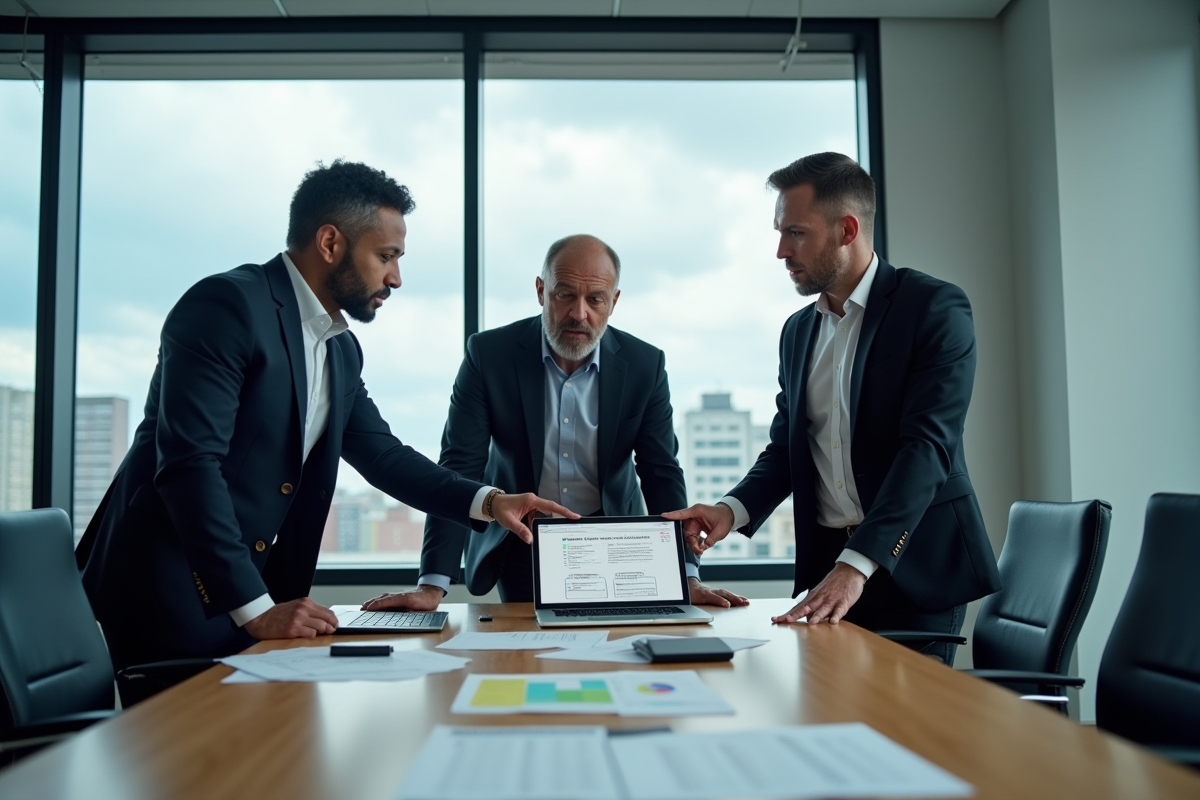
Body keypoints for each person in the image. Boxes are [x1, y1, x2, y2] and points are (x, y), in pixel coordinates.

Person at [76, 160, 575, 673]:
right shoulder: (226, 307)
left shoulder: (338, 348)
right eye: (386, 256)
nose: (396, 278)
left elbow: (383, 456)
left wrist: (490, 502)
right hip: (169, 586)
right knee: (190, 750)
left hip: (250, 598)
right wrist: (254, 607)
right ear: (331, 243)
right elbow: (189, 464)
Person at [664, 153, 1001, 663]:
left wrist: (857, 565)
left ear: (847, 229)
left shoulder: (933, 309)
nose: (780, 250)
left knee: (905, 734)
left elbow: (927, 449)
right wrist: (728, 513)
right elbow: (787, 451)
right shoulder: (798, 331)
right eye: (780, 232)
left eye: (795, 233)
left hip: (912, 569)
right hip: (828, 572)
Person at [363, 234, 746, 610]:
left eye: (595, 299)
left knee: (617, 657)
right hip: (522, 541)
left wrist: (687, 574)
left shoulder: (644, 365)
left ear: (613, 302)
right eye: (565, 295)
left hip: (615, 541)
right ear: (540, 290)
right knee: (526, 660)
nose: (579, 314)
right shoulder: (489, 355)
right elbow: (461, 465)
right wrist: (432, 585)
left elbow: (660, 471)